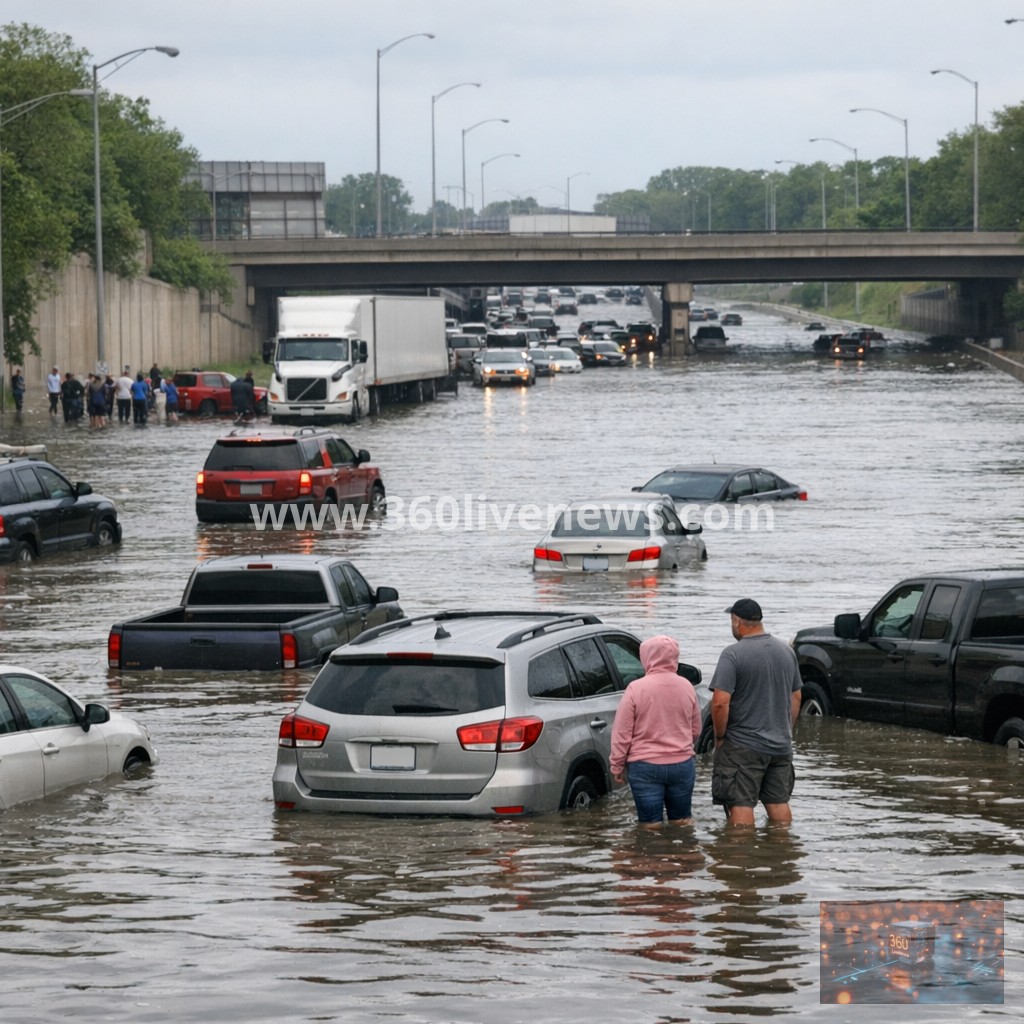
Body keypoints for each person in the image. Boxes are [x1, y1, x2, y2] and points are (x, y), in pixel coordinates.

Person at [710, 599, 803, 826]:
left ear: (737, 621)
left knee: (741, 804)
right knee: (778, 803)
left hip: (743, 746)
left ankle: (742, 856)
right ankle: (782, 852)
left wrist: (720, 737)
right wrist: (785, 729)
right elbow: (797, 696)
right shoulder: (786, 651)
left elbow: (720, 703)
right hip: (780, 745)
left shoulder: (732, 654)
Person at [610, 634, 702, 829]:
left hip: (645, 767)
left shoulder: (636, 688)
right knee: (682, 822)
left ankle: (653, 857)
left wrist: (617, 765)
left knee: (650, 825)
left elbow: (622, 733)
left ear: (647, 657)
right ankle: (684, 855)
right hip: (682, 765)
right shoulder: (686, 686)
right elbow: (696, 730)